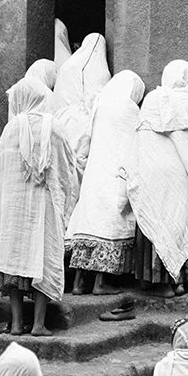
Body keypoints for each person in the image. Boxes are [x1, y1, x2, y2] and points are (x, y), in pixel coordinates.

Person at [127, 60, 188, 297]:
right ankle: (178, 282)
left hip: (151, 169)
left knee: (154, 219)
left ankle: (151, 280)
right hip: (178, 170)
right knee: (179, 222)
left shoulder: (153, 99)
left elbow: (141, 139)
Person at [0, 76, 75, 335]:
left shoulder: (11, 129)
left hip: (14, 207)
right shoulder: (56, 128)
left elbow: (2, 171)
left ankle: (17, 323)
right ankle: (38, 324)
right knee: (43, 256)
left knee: (15, 259)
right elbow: (66, 170)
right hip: (46, 206)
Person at [66, 71, 146, 294]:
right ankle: (101, 283)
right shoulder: (130, 110)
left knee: (89, 223)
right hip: (114, 176)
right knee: (110, 225)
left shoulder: (100, 106)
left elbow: (85, 142)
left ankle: (79, 283)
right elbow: (134, 146)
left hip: (93, 176)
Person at [50, 32, 111, 180]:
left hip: (59, 122)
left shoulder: (66, 67)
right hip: (79, 124)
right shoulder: (95, 67)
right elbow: (95, 97)